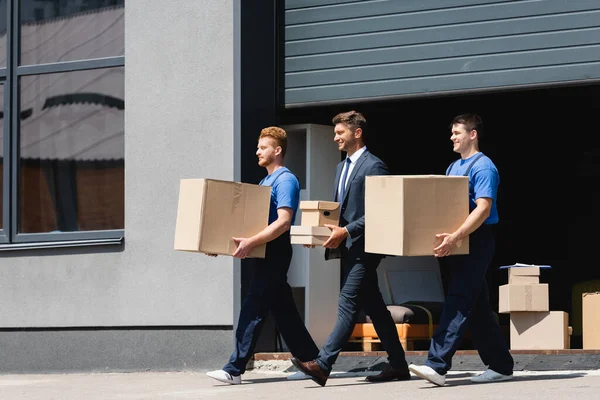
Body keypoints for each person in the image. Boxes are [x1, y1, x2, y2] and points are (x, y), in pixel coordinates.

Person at [290, 111, 410, 386]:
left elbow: (382, 211)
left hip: (366, 249)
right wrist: (320, 233)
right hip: (347, 248)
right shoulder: (340, 167)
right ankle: (399, 365)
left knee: (347, 304)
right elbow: (336, 213)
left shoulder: (374, 166)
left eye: (340, 133)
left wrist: (348, 230)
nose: (335, 138)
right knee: (376, 309)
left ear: (357, 133)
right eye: (335, 133)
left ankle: (323, 364)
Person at [206, 126, 319, 385]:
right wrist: (221, 244)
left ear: (277, 151)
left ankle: (234, 369)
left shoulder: (285, 180)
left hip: (275, 253)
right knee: (284, 310)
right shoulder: (264, 181)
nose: (257, 151)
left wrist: (251, 243)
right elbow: (249, 225)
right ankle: (312, 361)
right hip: (264, 253)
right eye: (258, 147)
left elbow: (283, 222)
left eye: (263, 147)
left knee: (253, 308)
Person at [408, 113, 514, 386]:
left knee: (457, 301)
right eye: (452, 133)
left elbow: (483, 207)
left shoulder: (484, 166)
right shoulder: (453, 167)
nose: (452, 137)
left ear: (473, 134)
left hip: (476, 242)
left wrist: (456, 235)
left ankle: (437, 365)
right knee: (476, 306)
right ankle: (501, 365)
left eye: (457, 132)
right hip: (456, 242)